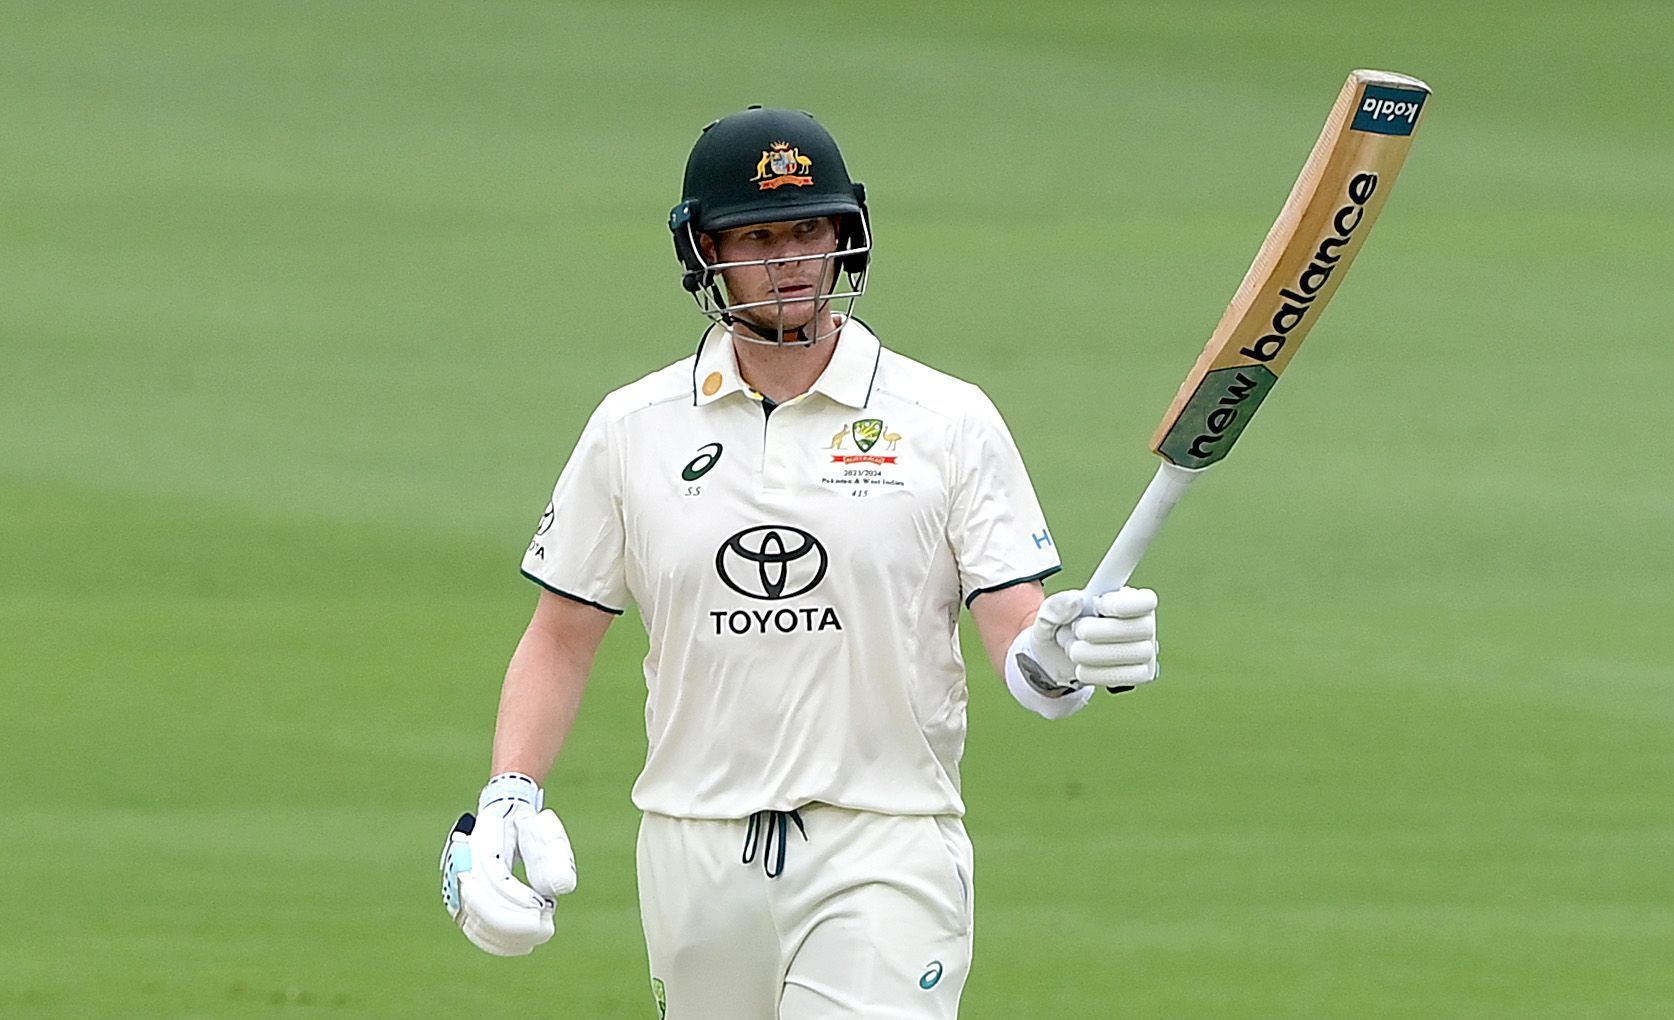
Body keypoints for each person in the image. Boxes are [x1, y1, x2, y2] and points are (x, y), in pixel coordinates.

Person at [438, 106, 1161, 1018]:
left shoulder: (945, 420)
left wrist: (1066, 658)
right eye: (756, 235)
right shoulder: (633, 427)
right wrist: (509, 796)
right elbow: (561, 638)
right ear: (704, 250)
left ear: (843, 239)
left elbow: (1018, 631)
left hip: (885, 845)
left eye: (808, 229)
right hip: (692, 848)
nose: (786, 259)